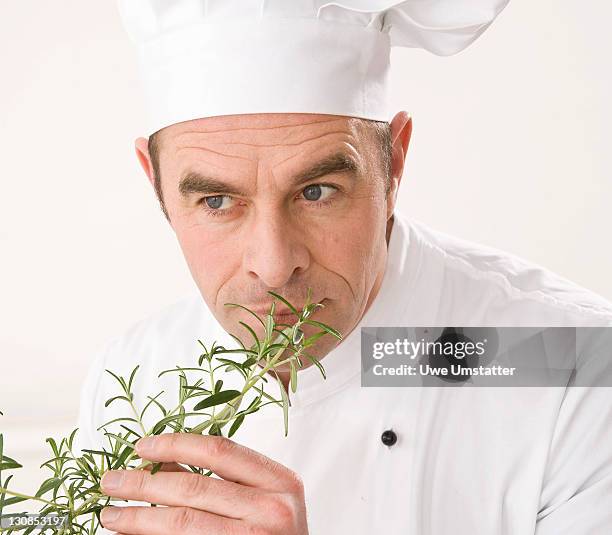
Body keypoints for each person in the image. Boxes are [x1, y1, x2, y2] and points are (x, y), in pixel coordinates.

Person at [75, 1, 612, 533]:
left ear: (393, 164)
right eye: (217, 201)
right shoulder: (133, 370)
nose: (275, 266)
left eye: (316, 192)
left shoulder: (570, 365)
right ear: (157, 187)